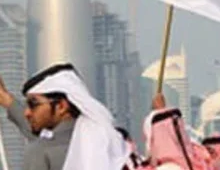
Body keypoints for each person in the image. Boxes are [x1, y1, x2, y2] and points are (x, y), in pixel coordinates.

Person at [0, 63, 129, 169]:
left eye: (33, 104)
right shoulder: (110, 141)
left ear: (61, 106)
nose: (27, 112)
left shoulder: (40, 152)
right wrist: (7, 100)